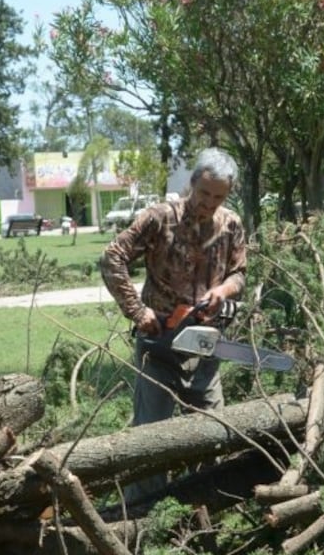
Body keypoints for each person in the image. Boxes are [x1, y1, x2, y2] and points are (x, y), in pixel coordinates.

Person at [99, 147, 246, 501]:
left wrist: (222, 291)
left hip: (205, 342)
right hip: (159, 340)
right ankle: (140, 514)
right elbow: (111, 258)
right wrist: (137, 311)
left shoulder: (231, 224)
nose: (209, 202)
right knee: (151, 438)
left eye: (218, 197)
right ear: (192, 183)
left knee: (215, 432)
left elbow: (239, 273)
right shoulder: (159, 218)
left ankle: (205, 509)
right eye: (204, 193)